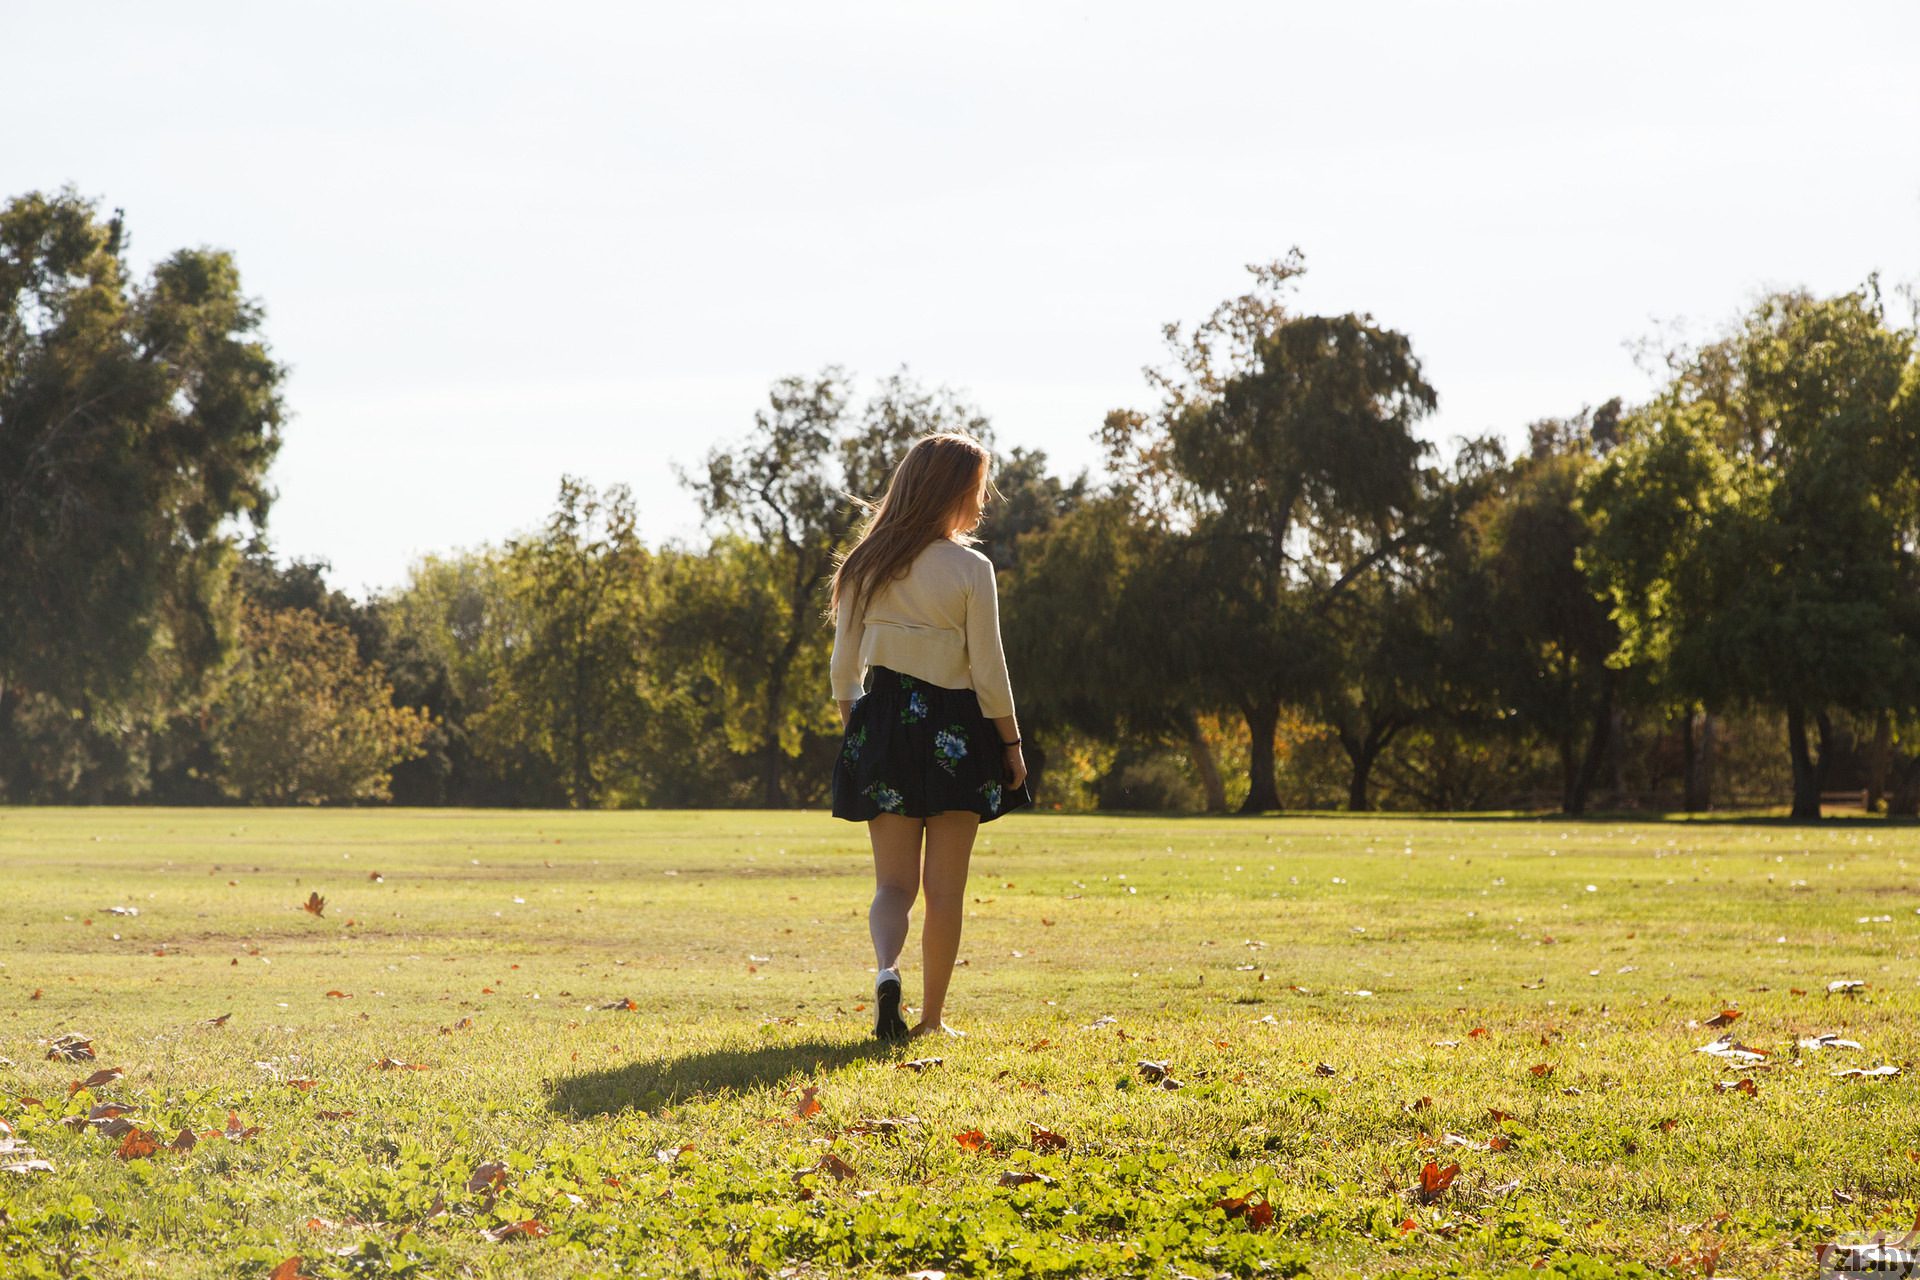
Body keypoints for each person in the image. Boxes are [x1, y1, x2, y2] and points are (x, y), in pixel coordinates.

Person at [828, 432, 1032, 1042]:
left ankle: (886, 969)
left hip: (884, 721)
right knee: (945, 892)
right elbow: (989, 671)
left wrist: (862, 732)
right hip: (957, 733)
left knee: (893, 885)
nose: (982, 500)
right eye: (977, 489)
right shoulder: (971, 568)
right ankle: (933, 1020)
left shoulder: (866, 564)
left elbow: (845, 671)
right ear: (956, 492)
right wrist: (1012, 746)